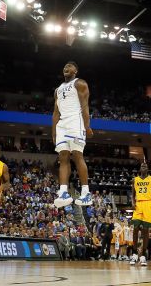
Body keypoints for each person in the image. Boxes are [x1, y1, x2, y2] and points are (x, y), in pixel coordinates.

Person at [52, 61, 94, 208]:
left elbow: (85, 106)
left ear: (76, 70)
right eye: (64, 66)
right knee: (62, 157)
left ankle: (85, 193)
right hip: (62, 125)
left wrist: (87, 126)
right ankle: (63, 192)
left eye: (69, 66)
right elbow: (56, 113)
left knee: (77, 155)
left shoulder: (80, 83)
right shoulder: (57, 89)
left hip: (76, 122)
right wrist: (53, 131)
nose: (66, 68)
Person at [129, 162, 151, 266]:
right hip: (138, 205)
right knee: (135, 228)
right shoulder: (135, 180)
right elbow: (133, 195)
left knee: (146, 231)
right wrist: (133, 203)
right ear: (139, 168)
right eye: (142, 166)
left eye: (145, 166)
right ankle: (134, 254)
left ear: (148, 169)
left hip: (149, 205)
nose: (143, 167)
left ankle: (143, 256)